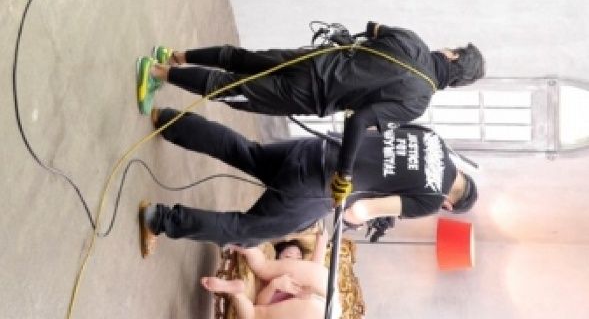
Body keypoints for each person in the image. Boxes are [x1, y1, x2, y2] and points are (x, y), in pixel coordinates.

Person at [137, 25, 485, 200]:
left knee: (243, 59)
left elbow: (372, 29)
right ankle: (156, 72)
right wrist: (344, 175)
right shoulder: (417, 102)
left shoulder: (414, 41)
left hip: (313, 60)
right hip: (312, 94)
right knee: (233, 88)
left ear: (452, 55)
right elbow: (360, 120)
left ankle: (176, 56)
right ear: (455, 82)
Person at [138, 109, 478, 254]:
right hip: (317, 187)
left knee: (247, 152)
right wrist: (357, 220)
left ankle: (170, 120)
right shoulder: (431, 199)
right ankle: (159, 219)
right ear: (450, 205)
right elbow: (360, 211)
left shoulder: (433, 139)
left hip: (318, 147)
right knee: (246, 231)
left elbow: (374, 130)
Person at [200, 230, 329, 319]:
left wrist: (275, 284)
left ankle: (235, 240)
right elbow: (316, 270)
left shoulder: (301, 271)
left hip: (323, 290)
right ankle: (237, 293)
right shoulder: (281, 275)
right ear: (278, 257)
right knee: (255, 315)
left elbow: (315, 268)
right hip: (326, 304)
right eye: (288, 257)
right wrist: (274, 284)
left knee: (263, 265)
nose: (294, 260)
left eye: (299, 258)